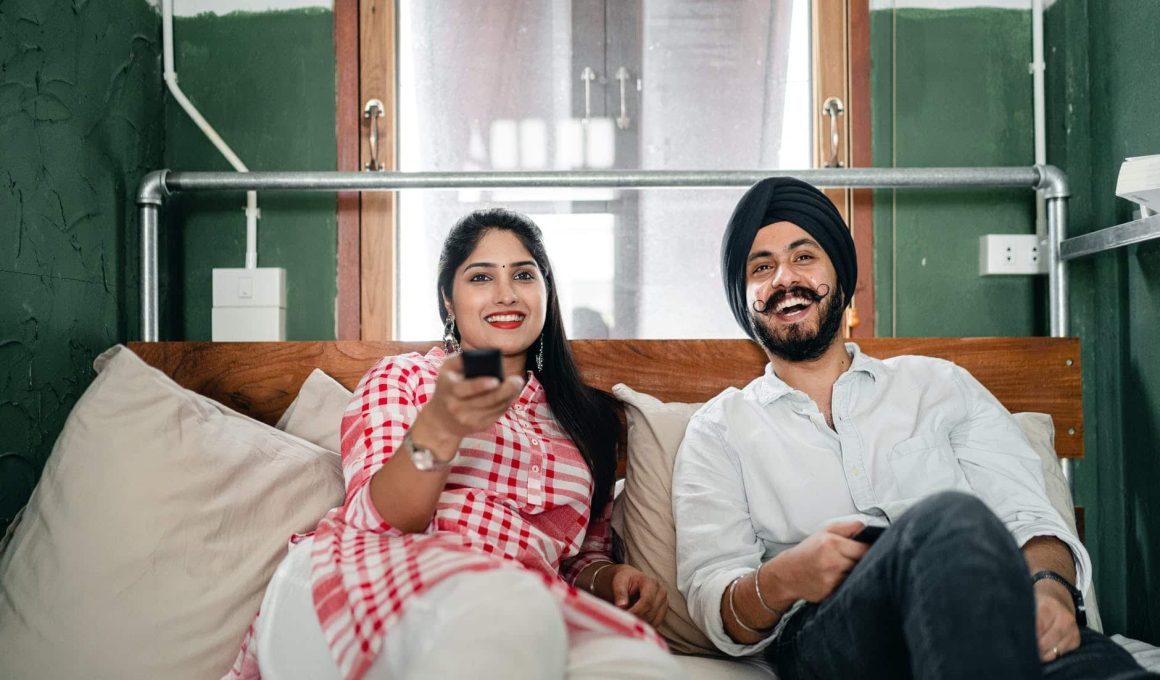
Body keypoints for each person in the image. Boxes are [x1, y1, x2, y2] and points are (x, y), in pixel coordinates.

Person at [671, 177, 1157, 680]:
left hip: (988, 608)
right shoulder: (719, 430)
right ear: (743, 296)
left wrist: (1051, 591)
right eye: (762, 267)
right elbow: (714, 599)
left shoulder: (939, 385)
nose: (784, 279)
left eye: (804, 257)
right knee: (948, 517)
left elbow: (1027, 515)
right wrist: (784, 577)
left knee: (1098, 668)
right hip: (833, 632)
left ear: (841, 275)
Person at [228, 208, 678, 680]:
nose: (506, 294)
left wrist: (610, 579)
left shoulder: (587, 420)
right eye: (481, 276)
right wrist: (440, 426)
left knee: (641, 662)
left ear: (546, 292)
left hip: (515, 607)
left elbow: (579, 559)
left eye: (524, 275)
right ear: (448, 299)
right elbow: (376, 520)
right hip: (363, 578)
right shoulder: (404, 378)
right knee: (500, 612)